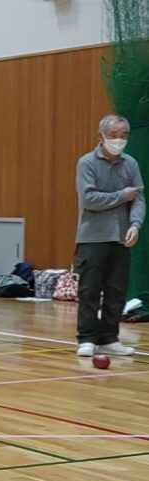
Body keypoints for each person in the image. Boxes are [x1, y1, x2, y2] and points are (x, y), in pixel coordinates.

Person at [74, 114, 145, 357]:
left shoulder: (131, 164)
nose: (119, 140)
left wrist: (135, 224)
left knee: (116, 290)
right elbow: (90, 199)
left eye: (123, 136)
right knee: (89, 290)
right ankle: (86, 338)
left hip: (121, 237)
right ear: (101, 136)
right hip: (92, 237)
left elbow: (139, 198)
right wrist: (121, 196)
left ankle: (109, 338)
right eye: (114, 136)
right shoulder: (87, 163)